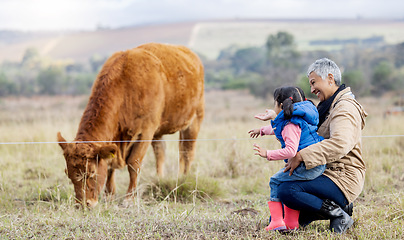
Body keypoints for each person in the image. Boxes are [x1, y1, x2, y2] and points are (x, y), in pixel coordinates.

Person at [278, 58, 368, 234]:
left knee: (287, 190)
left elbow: (340, 143)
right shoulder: (326, 107)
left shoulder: (345, 108)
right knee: (282, 215)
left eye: (313, 83)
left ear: (330, 78)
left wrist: (302, 155)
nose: (311, 89)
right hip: (323, 172)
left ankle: (339, 214)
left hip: (342, 177)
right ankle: (341, 208)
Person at [249, 86, 325, 231]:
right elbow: (280, 129)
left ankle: (277, 221)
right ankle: (291, 223)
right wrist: (262, 130)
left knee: (275, 181)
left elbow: (290, 151)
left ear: (281, 105)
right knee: (286, 186)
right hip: (314, 163)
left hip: (306, 165)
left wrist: (268, 154)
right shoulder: (298, 116)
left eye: (274, 103)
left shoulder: (291, 124)